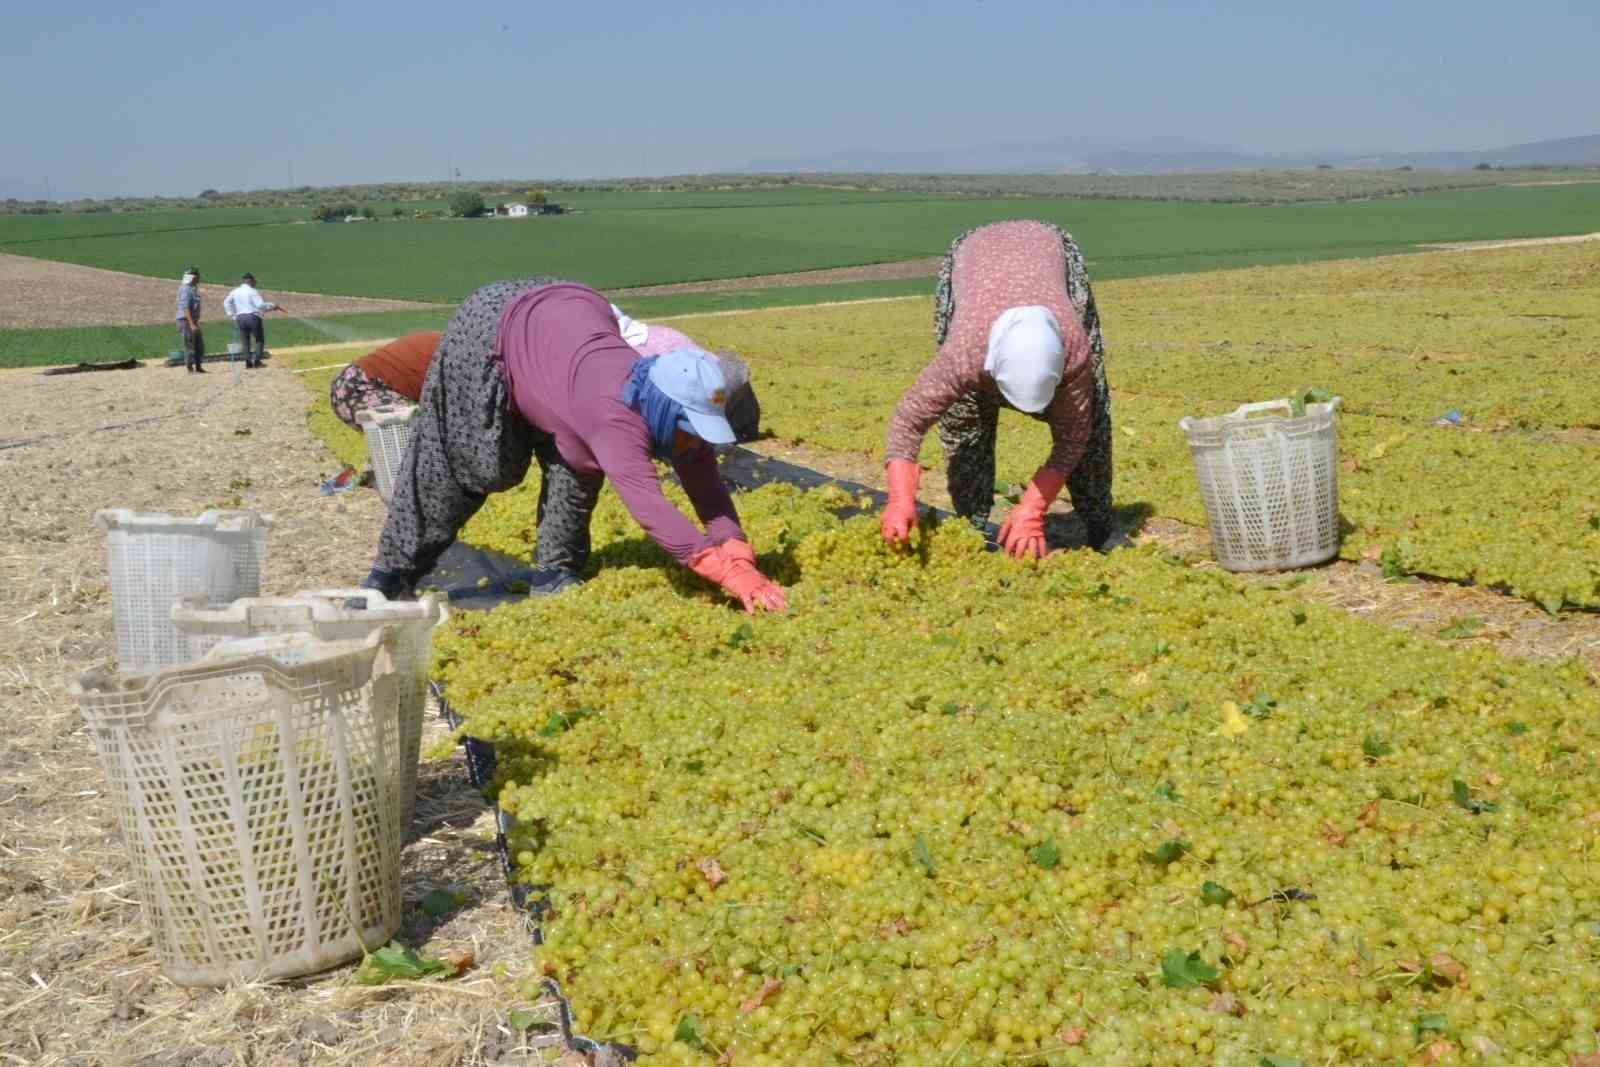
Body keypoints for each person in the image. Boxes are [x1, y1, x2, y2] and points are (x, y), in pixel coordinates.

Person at [360, 279, 786, 614]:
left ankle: (554, 571)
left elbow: (706, 482)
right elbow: (651, 508)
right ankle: (390, 573)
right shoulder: (613, 413)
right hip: (492, 326)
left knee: (578, 464)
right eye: (689, 428)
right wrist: (726, 575)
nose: (692, 441)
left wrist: (737, 549)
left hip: (568, 314)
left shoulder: (666, 404)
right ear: (662, 408)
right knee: (471, 463)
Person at [879, 220, 1116, 557]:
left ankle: (1099, 525)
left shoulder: (1074, 349)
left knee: (1092, 422)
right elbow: (908, 420)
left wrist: (1033, 508)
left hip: (1044, 247)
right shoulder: (964, 353)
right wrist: (900, 498)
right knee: (963, 419)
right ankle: (970, 527)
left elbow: (1073, 437)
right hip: (975, 255)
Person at [221, 273, 287, 368]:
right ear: (250, 281)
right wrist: (272, 305)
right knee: (259, 339)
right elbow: (260, 305)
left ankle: (248, 362)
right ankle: (257, 361)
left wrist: (232, 315)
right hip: (253, 318)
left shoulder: (235, 291)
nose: (255, 283)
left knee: (245, 341)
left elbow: (226, 302)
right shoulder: (253, 291)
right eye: (254, 281)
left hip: (240, 318)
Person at [175, 266, 206, 373]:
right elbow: (185, 307)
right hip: (186, 321)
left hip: (192, 320)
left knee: (199, 345)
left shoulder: (192, 289)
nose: (199, 278)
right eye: (198, 276)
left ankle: (198, 366)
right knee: (190, 344)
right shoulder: (185, 289)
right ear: (193, 277)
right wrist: (192, 323)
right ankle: (190, 367)